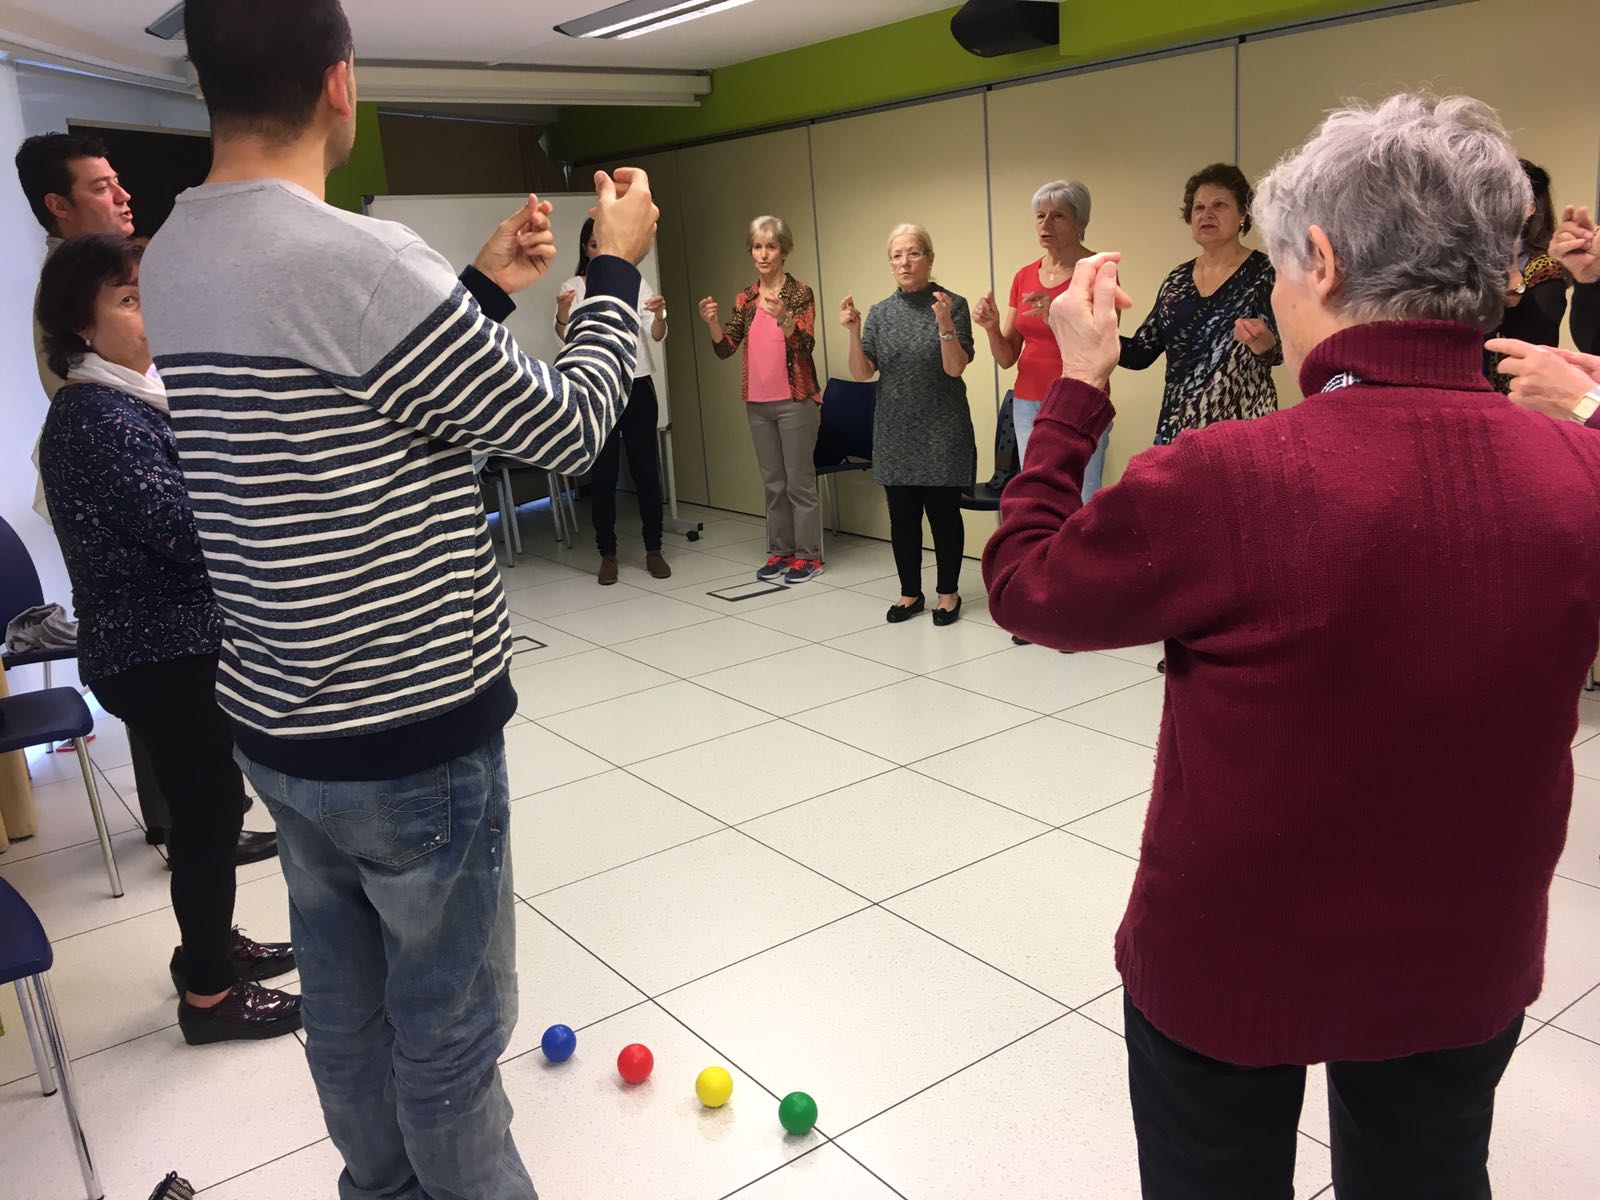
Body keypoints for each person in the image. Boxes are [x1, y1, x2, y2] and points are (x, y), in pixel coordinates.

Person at [983, 94, 1600, 1199]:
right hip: (1461, 969)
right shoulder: (1578, 478)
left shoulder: (1225, 474)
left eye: (1274, 263)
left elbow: (1030, 589)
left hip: (1229, 965)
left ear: (1317, 260)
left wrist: (1077, 388)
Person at [140, 2, 657, 1198]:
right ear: (339, 83)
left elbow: (339, 428)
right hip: (409, 740)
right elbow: (572, 428)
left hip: (280, 730)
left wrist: (472, 289)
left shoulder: (172, 253)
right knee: (450, 1046)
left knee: (349, 1017)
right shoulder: (360, 261)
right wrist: (612, 264)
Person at [35, 235, 300, 1045]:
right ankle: (210, 999)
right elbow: (188, 531)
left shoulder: (132, 397)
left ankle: (209, 951)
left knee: (207, 809)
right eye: (129, 299)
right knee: (210, 814)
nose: (150, 314)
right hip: (156, 652)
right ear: (80, 327)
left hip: (172, 642)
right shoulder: (93, 417)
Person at [14, 132, 275, 868]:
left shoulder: (115, 282)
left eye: (118, 181)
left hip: (148, 516)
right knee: (176, 721)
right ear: (59, 206)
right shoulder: (73, 313)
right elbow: (171, 514)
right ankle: (190, 832)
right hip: (128, 516)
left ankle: (202, 819)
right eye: (101, 187)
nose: (121, 195)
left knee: (196, 748)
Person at [842, 224, 976, 626]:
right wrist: (852, 330)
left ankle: (948, 594)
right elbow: (862, 371)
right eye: (897, 255)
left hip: (943, 428)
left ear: (930, 258)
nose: (904, 262)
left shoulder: (953, 303)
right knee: (902, 518)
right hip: (895, 429)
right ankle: (909, 592)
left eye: (913, 253)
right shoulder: (881, 313)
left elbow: (955, 368)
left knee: (943, 515)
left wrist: (944, 325)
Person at [697, 216, 823, 584]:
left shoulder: (800, 294)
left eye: (770, 246)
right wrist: (712, 321)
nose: (763, 254)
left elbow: (805, 346)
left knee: (799, 482)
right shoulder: (746, 298)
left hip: (796, 399)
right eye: (757, 246)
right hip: (758, 401)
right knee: (774, 483)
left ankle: (808, 556)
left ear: (784, 250)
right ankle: (780, 551)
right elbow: (726, 348)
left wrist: (785, 318)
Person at [1119, 162, 1282, 446]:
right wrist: (1088, 330)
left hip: (1243, 434)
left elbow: (1279, 353)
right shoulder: (1177, 280)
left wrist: (1264, 343)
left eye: (1219, 205)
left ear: (1243, 214)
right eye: (1198, 207)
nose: (1206, 214)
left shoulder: (1264, 272)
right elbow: (1139, 354)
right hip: (1179, 437)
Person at [975, 180, 1111, 495]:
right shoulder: (1023, 276)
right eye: (1040, 216)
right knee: (1038, 496)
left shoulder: (1099, 272)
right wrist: (992, 327)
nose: (1045, 224)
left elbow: (1104, 351)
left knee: (1082, 498)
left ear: (1081, 222)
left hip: (1080, 400)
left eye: (1058, 216)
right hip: (1027, 402)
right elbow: (1007, 358)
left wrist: (1056, 318)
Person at [556, 218, 670, 585]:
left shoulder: (633, 281)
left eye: (603, 244)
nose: (598, 251)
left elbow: (657, 332)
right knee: (603, 474)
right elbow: (565, 335)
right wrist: (562, 314)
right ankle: (607, 552)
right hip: (596, 388)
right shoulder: (574, 286)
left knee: (646, 470)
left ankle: (654, 548)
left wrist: (661, 314)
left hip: (636, 384)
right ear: (585, 249)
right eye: (592, 245)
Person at [1488, 160, 1568, 389]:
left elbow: (1540, 341)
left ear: (1530, 208)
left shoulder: (1546, 267)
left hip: (1518, 390)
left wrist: (1512, 272)